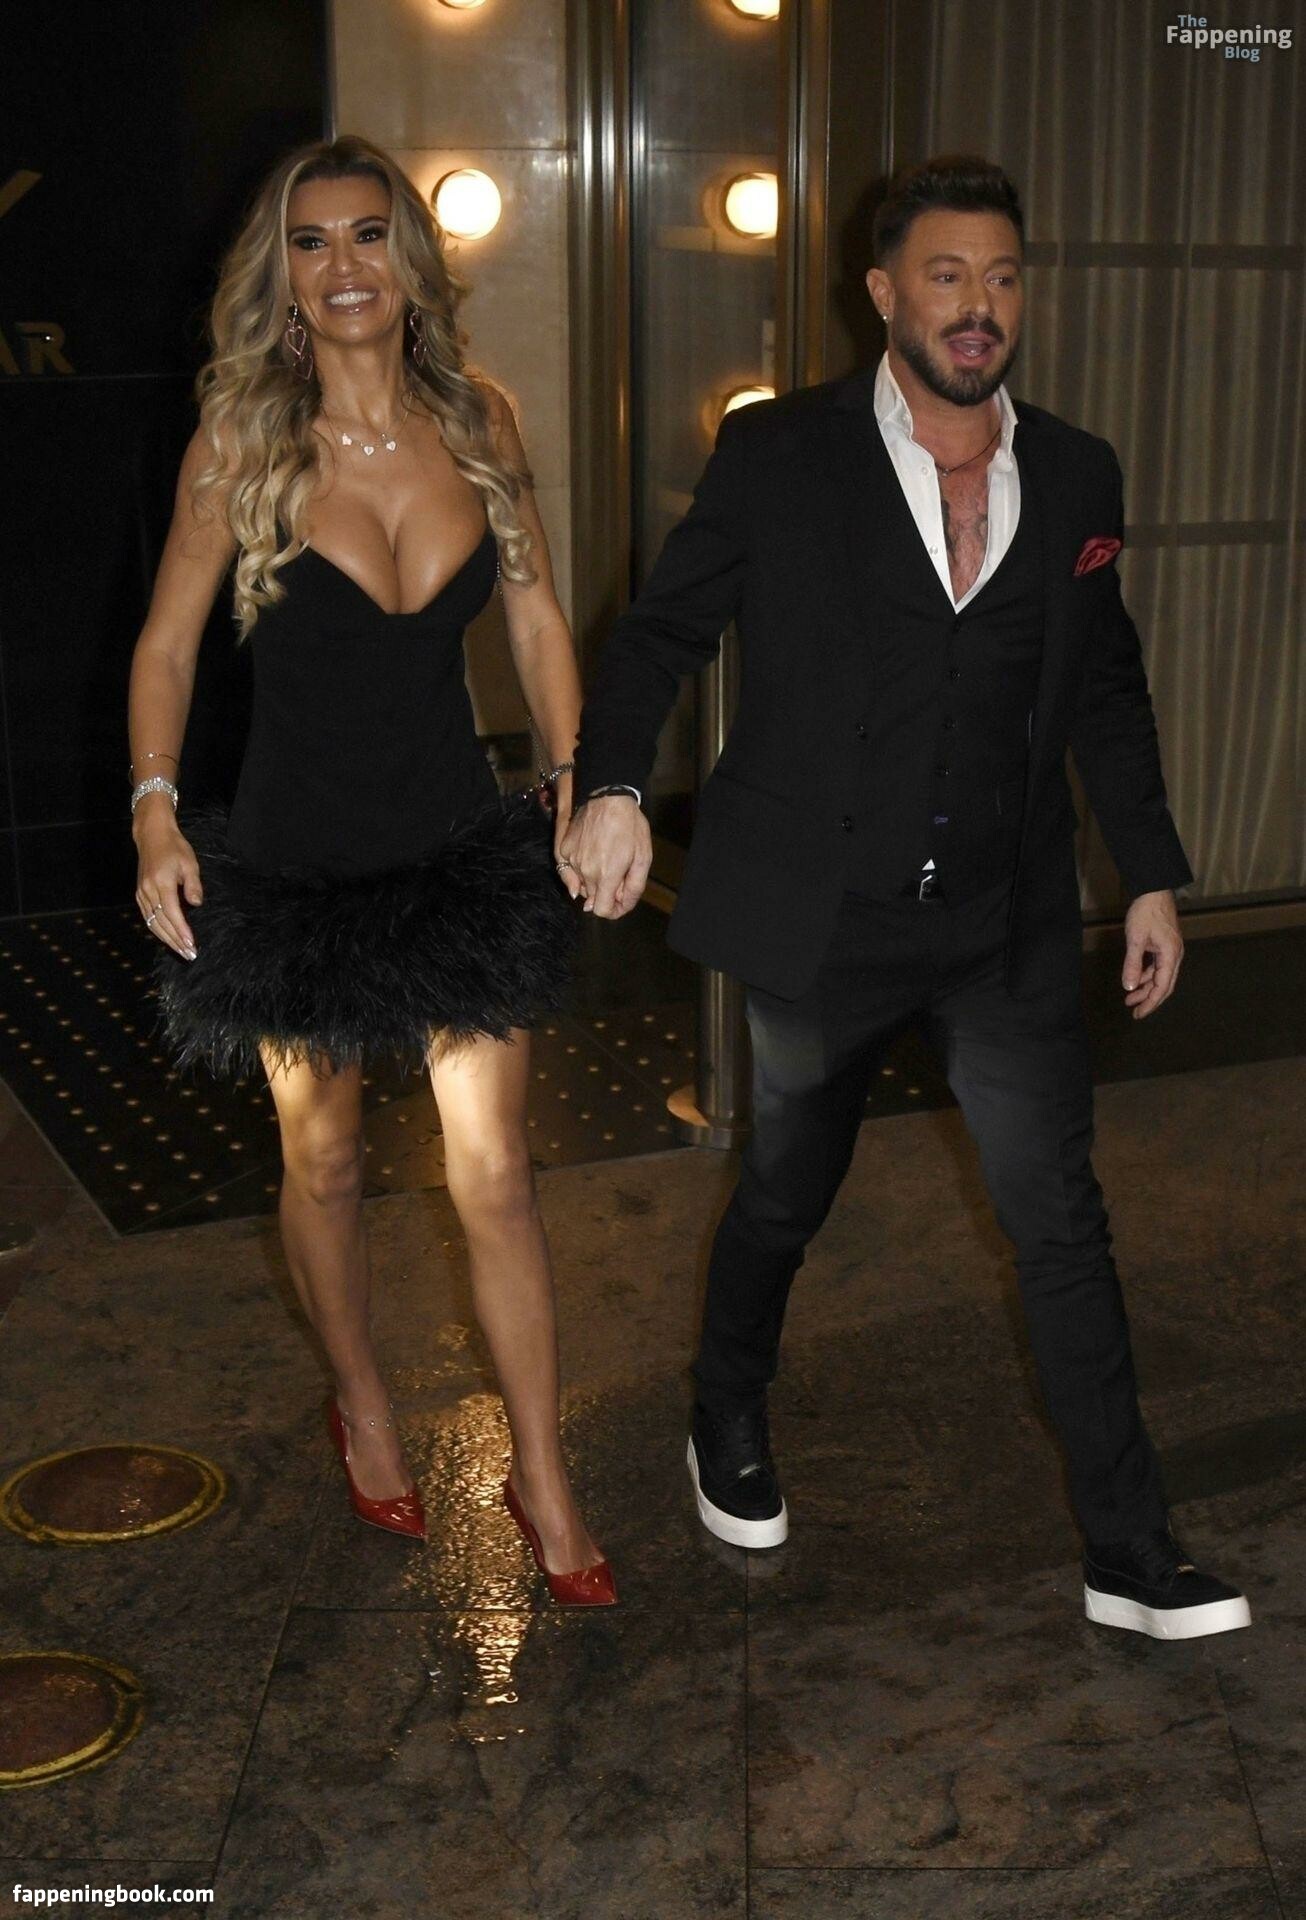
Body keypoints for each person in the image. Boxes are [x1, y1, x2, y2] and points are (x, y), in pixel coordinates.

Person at [562, 156, 1248, 1640]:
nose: (977, 304)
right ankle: (724, 1403)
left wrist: (1148, 873)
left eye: (1001, 276)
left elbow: (1105, 687)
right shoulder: (778, 453)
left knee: (1059, 1223)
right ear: (882, 294)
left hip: (1000, 921)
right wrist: (610, 784)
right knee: (786, 1191)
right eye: (946, 275)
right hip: (827, 917)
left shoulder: (1077, 473)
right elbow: (660, 633)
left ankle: (1130, 1551)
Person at [129, 135, 614, 1606]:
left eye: (367, 235)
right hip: (295, 869)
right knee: (325, 1160)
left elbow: (535, 620)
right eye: (311, 241)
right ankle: (363, 1402)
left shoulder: (479, 420)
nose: (343, 266)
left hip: (458, 852)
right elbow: (164, 647)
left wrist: (581, 773)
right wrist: (156, 812)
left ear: (409, 259)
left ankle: (543, 1472)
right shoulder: (241, 444)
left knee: (496, 1171)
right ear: (280, 277)